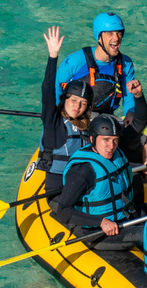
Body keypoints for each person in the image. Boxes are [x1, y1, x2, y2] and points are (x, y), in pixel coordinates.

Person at [55, 12, 147, 178]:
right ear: (99, 37)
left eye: (119, 33)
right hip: (81, 117)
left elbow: (128, 96)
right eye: (110, 33)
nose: (116, 38)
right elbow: (57, 90)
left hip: (109, 118)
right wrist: (61, 120)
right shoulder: (76, 61)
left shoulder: (125, 63)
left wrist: (130, 113)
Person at [54, 113, 147, 250]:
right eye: (106, 140)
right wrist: (101, 222)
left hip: (126, 217)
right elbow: (63, 211)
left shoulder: (114, 152)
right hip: (99, 233)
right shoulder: (82, 171)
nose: (111, 146)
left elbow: (139, 122)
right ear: (92, 139)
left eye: (115, 140)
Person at [37, 26, 93, 193]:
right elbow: (47, 91)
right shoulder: (52, 122)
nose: (77, 106)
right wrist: (53, 56)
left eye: (83, 103)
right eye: (74, 100)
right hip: (59, 188)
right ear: (65, 99)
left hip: (82, 185)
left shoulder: (87, 125)